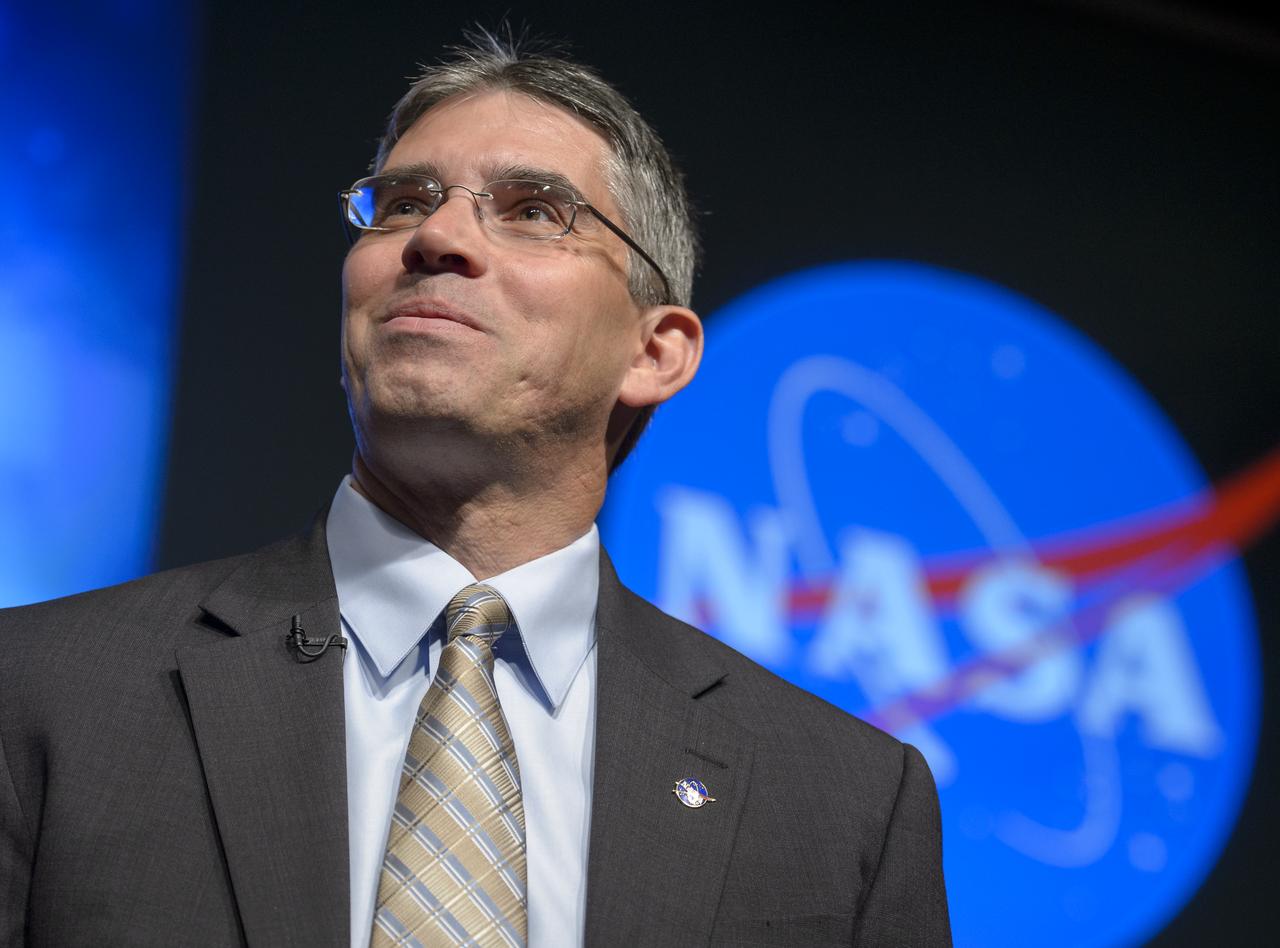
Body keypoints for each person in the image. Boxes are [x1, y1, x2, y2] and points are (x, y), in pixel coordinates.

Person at [0, 31, 951, 948]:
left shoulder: (846, 803)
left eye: (534, 209)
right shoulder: (39, 692)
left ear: (655, 351)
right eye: (404, 201)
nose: (437, 238)